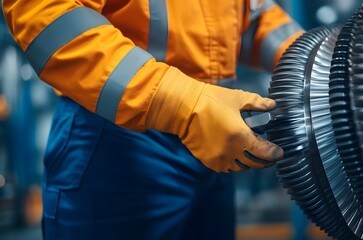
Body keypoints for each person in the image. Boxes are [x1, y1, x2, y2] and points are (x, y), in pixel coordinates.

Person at [2, 0, 303, 239]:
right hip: (115, 139)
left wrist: (311, 60)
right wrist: (176, 103)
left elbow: (249, 20)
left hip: (213, 134)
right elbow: (49, 13)